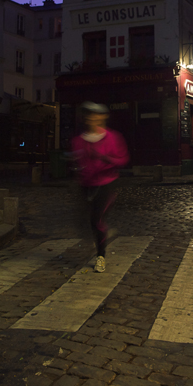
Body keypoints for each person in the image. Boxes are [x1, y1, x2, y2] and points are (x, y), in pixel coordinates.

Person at [71, 102, 129, 273]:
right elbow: (77, 161)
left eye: (96, 115)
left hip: (106, 183)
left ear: (103, 117)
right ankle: (101, 234)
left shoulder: (113, 137)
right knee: (88, 221)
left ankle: (101, 256)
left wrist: (105, 159)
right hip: (86, 185)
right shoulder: (78, 140)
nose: (92, 118)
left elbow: (123, 160)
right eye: (89, 115)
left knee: (97, 220)